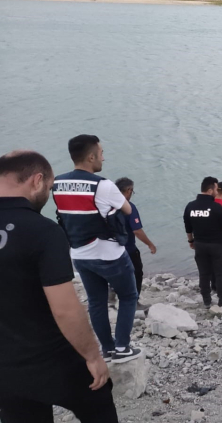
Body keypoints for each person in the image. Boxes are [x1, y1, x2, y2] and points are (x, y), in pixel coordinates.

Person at [0, 151, 118, 423]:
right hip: (51, 359)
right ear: (37, 181)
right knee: (98, 401)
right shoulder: (43, 231)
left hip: (4, 368)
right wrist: (92, 356)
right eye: (50, 188)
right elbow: (65, 309)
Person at [52, 134, 141, 363]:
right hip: (108, 253)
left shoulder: (58, 184)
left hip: (79, 254)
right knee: (129, 296)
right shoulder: (103, 185)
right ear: (91, 156)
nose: (104, 157)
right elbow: (128, 210)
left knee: (96, 302)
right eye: (101, 153)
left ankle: (108, 350)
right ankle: (122, 347)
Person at [184, 177, 222, 309]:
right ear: (209, 190)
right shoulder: (216, 207)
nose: (216, 191)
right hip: (217, 245)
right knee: (220, 273)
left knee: (204, 273)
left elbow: (188, 226)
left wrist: (191, 240)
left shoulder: (190, 206)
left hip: (200, 245)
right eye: (215, 188)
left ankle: (207, 301)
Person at [115, 177, 157, 306]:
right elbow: (137, 231)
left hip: (110, 249)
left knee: (115, 273)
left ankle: (112, 294)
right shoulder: (129, 207)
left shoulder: (108, 204)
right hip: (128, 249)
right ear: (128, 190)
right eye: (132, 191)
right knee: (137, 273)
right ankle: (134, 301)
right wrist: (150, 244)